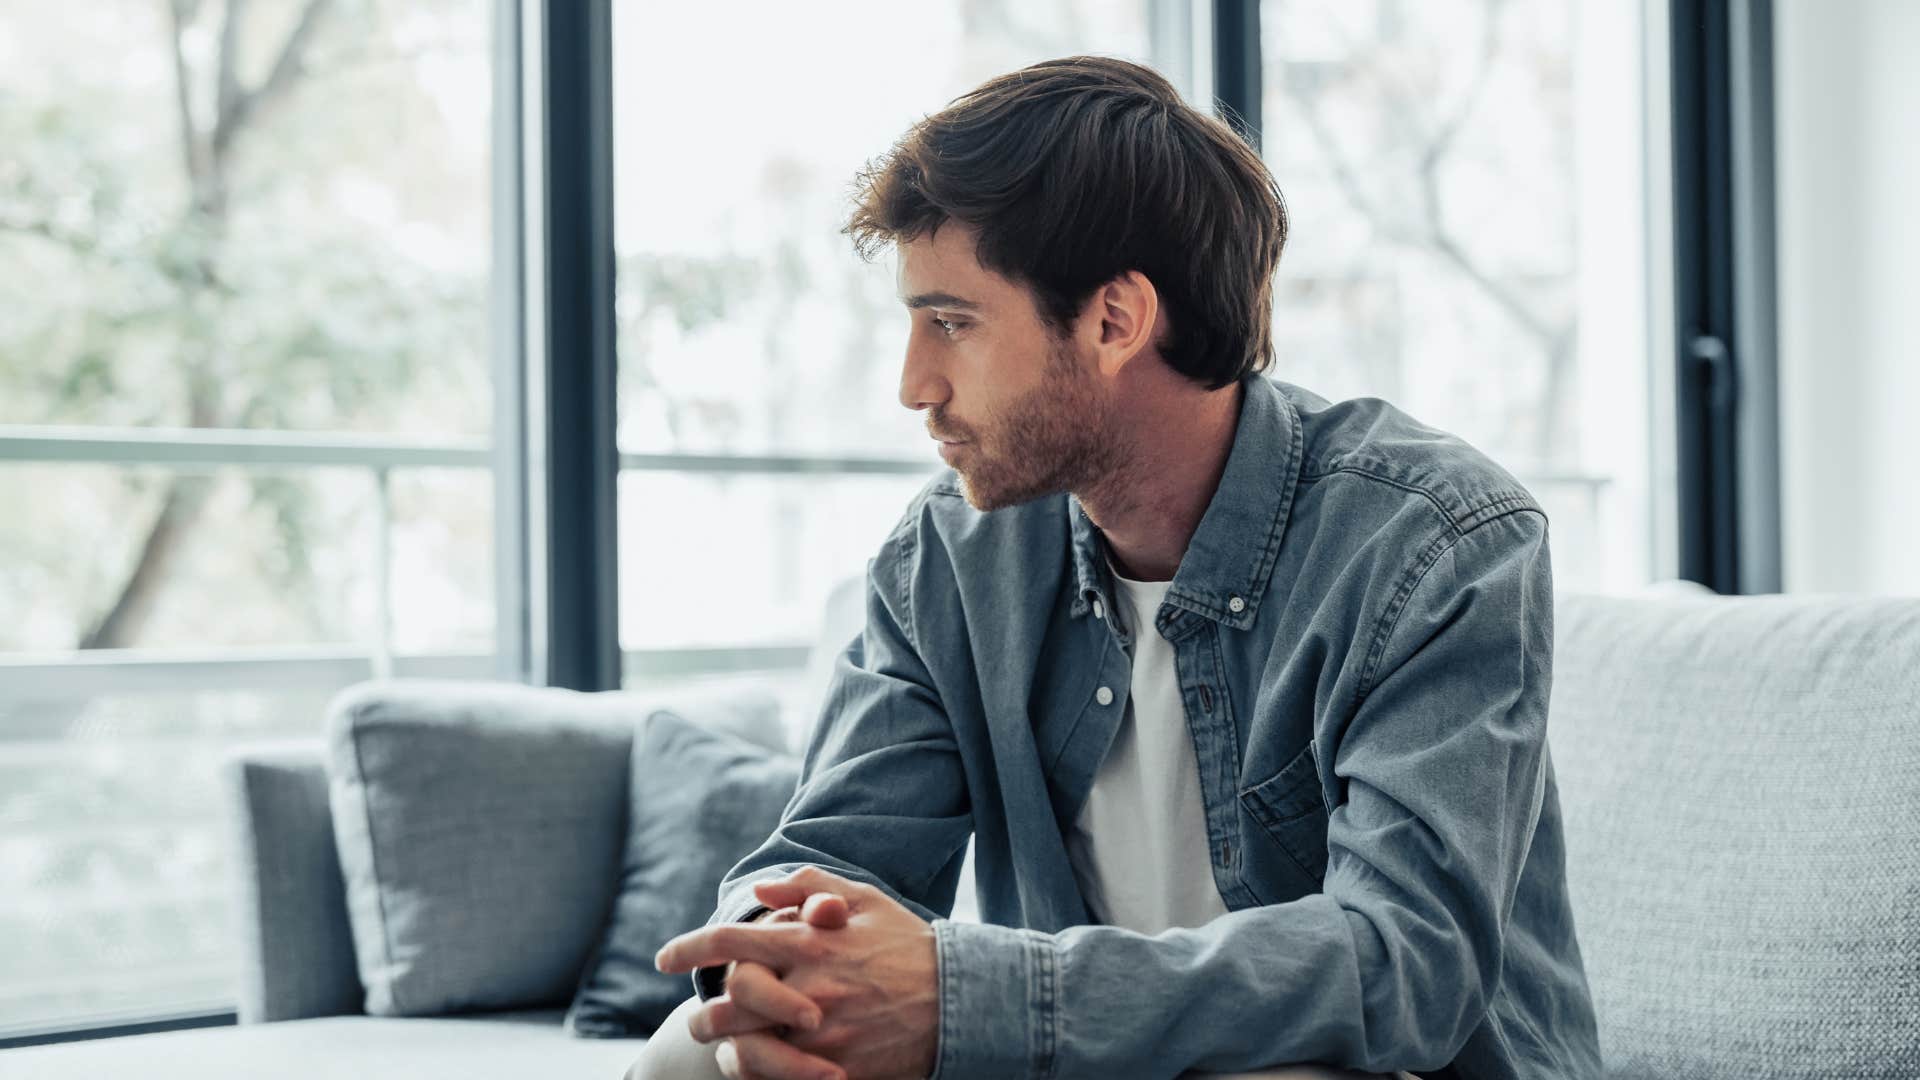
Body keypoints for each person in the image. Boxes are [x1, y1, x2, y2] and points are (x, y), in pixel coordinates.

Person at [628, 55, 1600, 1080]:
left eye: (951, 323)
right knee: (695, 1058)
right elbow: (824, 856)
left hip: (1359, 1067)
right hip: (1073, 1058)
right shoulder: (953, 558)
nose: (914, 384)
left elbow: (1405, 967)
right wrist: (776, 962)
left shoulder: (1434, 543)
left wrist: (970, 995)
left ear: (1115, 321)